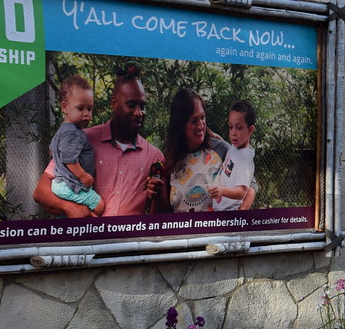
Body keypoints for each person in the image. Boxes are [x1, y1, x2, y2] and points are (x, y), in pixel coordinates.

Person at [34, 64, 164, 218]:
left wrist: (157, 197)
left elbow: (159, 217)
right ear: (114, 104)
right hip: (87, 240)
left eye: (142, 106)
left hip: (129, 241)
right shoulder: (82, 139)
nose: (138, 113)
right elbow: (41, 192)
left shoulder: (154, 157)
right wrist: (69, 208)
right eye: (131, 105)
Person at [161, 88, 231, 212]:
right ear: (180, 125)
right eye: (194, 121)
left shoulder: (221, 149)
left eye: (202, 118)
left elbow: (249, 185)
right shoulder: (171, 160)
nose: (201, 125)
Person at [48, 75, 104, 216]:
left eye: (89, 109)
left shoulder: (63, 129)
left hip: (61, 182)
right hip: (70, 185)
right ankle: (87, 224)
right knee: (99, 205)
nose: (86, 114)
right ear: (65, 107)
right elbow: (68, 158)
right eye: (80, 109)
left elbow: (51, 151)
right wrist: (83, 176)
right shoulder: (73, 133)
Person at [209, 100, 257, 212]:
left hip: (229, 213)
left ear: (250, 130)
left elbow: (241, 192)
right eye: (231, 127)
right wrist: (213, 135)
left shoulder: (244, 159)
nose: (233, 133)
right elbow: (230, 149)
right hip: (219, 207)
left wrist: (221, 191)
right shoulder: (236, 146)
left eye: (239, 128)